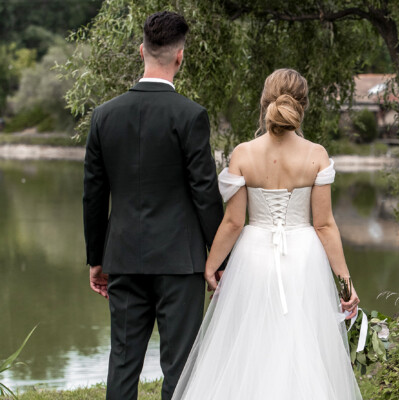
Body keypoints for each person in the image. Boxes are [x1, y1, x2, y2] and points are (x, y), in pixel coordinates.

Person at [173, 68, 363, 399]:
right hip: (304, 259)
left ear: (264, 102)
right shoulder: (316, 155)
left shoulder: (243, 153)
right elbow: (324, 225)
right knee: (301, 342)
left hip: (253, 256)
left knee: (250, 343)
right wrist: (346, 284)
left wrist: (211, 266)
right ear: (303, 105)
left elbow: (233, 222)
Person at [82, 11, 224, 400]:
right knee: (180, 367)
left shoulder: (103, 116)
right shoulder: (191, 116)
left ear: (141, 50)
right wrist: (220, 258)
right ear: (180, 56)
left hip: (123, 257)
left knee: (123, 362)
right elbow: (205, 192)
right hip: (180, 261)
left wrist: (96, 259)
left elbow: (94, 194)